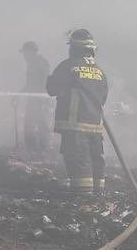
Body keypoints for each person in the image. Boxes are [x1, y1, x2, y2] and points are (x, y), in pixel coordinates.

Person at [46, 29, 109, 194]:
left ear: (73, 48)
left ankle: (83, 197)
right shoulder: (99, 72)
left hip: (74, 125)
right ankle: (97, 193)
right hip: (95, 126)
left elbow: (51, 88)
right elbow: (103, 97)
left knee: (78, 160)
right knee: (95, 159)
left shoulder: (69, 67)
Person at [19, 41, 51, 158]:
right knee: (29, 123)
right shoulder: (32, 64)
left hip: (40, 99)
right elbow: (29, 83)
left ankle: (43, 149)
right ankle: (32, 149)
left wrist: (40, 98)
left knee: (41, 123)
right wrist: (19, 95)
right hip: (33, 99)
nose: (24, 56)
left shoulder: (41, 63)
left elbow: (44, 83)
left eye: (25, 53)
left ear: (31, 52)